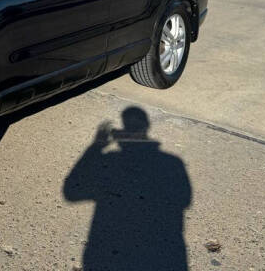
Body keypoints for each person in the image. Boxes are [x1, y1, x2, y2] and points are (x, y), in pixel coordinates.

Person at [63, 107, 192, 271]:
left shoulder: (111, 161)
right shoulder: (173, 162)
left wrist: (96, 147)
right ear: (146, 128)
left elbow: (71, 192)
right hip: (160, 253)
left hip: (107, 253)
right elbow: (184, 200)